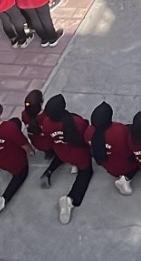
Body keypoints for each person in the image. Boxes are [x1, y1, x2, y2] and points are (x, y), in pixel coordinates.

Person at [40, 94, 94, 224]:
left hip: (60, 150)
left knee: (61, 156)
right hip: (79, 153)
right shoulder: (75, 121)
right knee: (85, 173)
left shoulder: (46, 123)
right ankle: (71, 199)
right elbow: (85, 133)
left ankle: (48, 171)